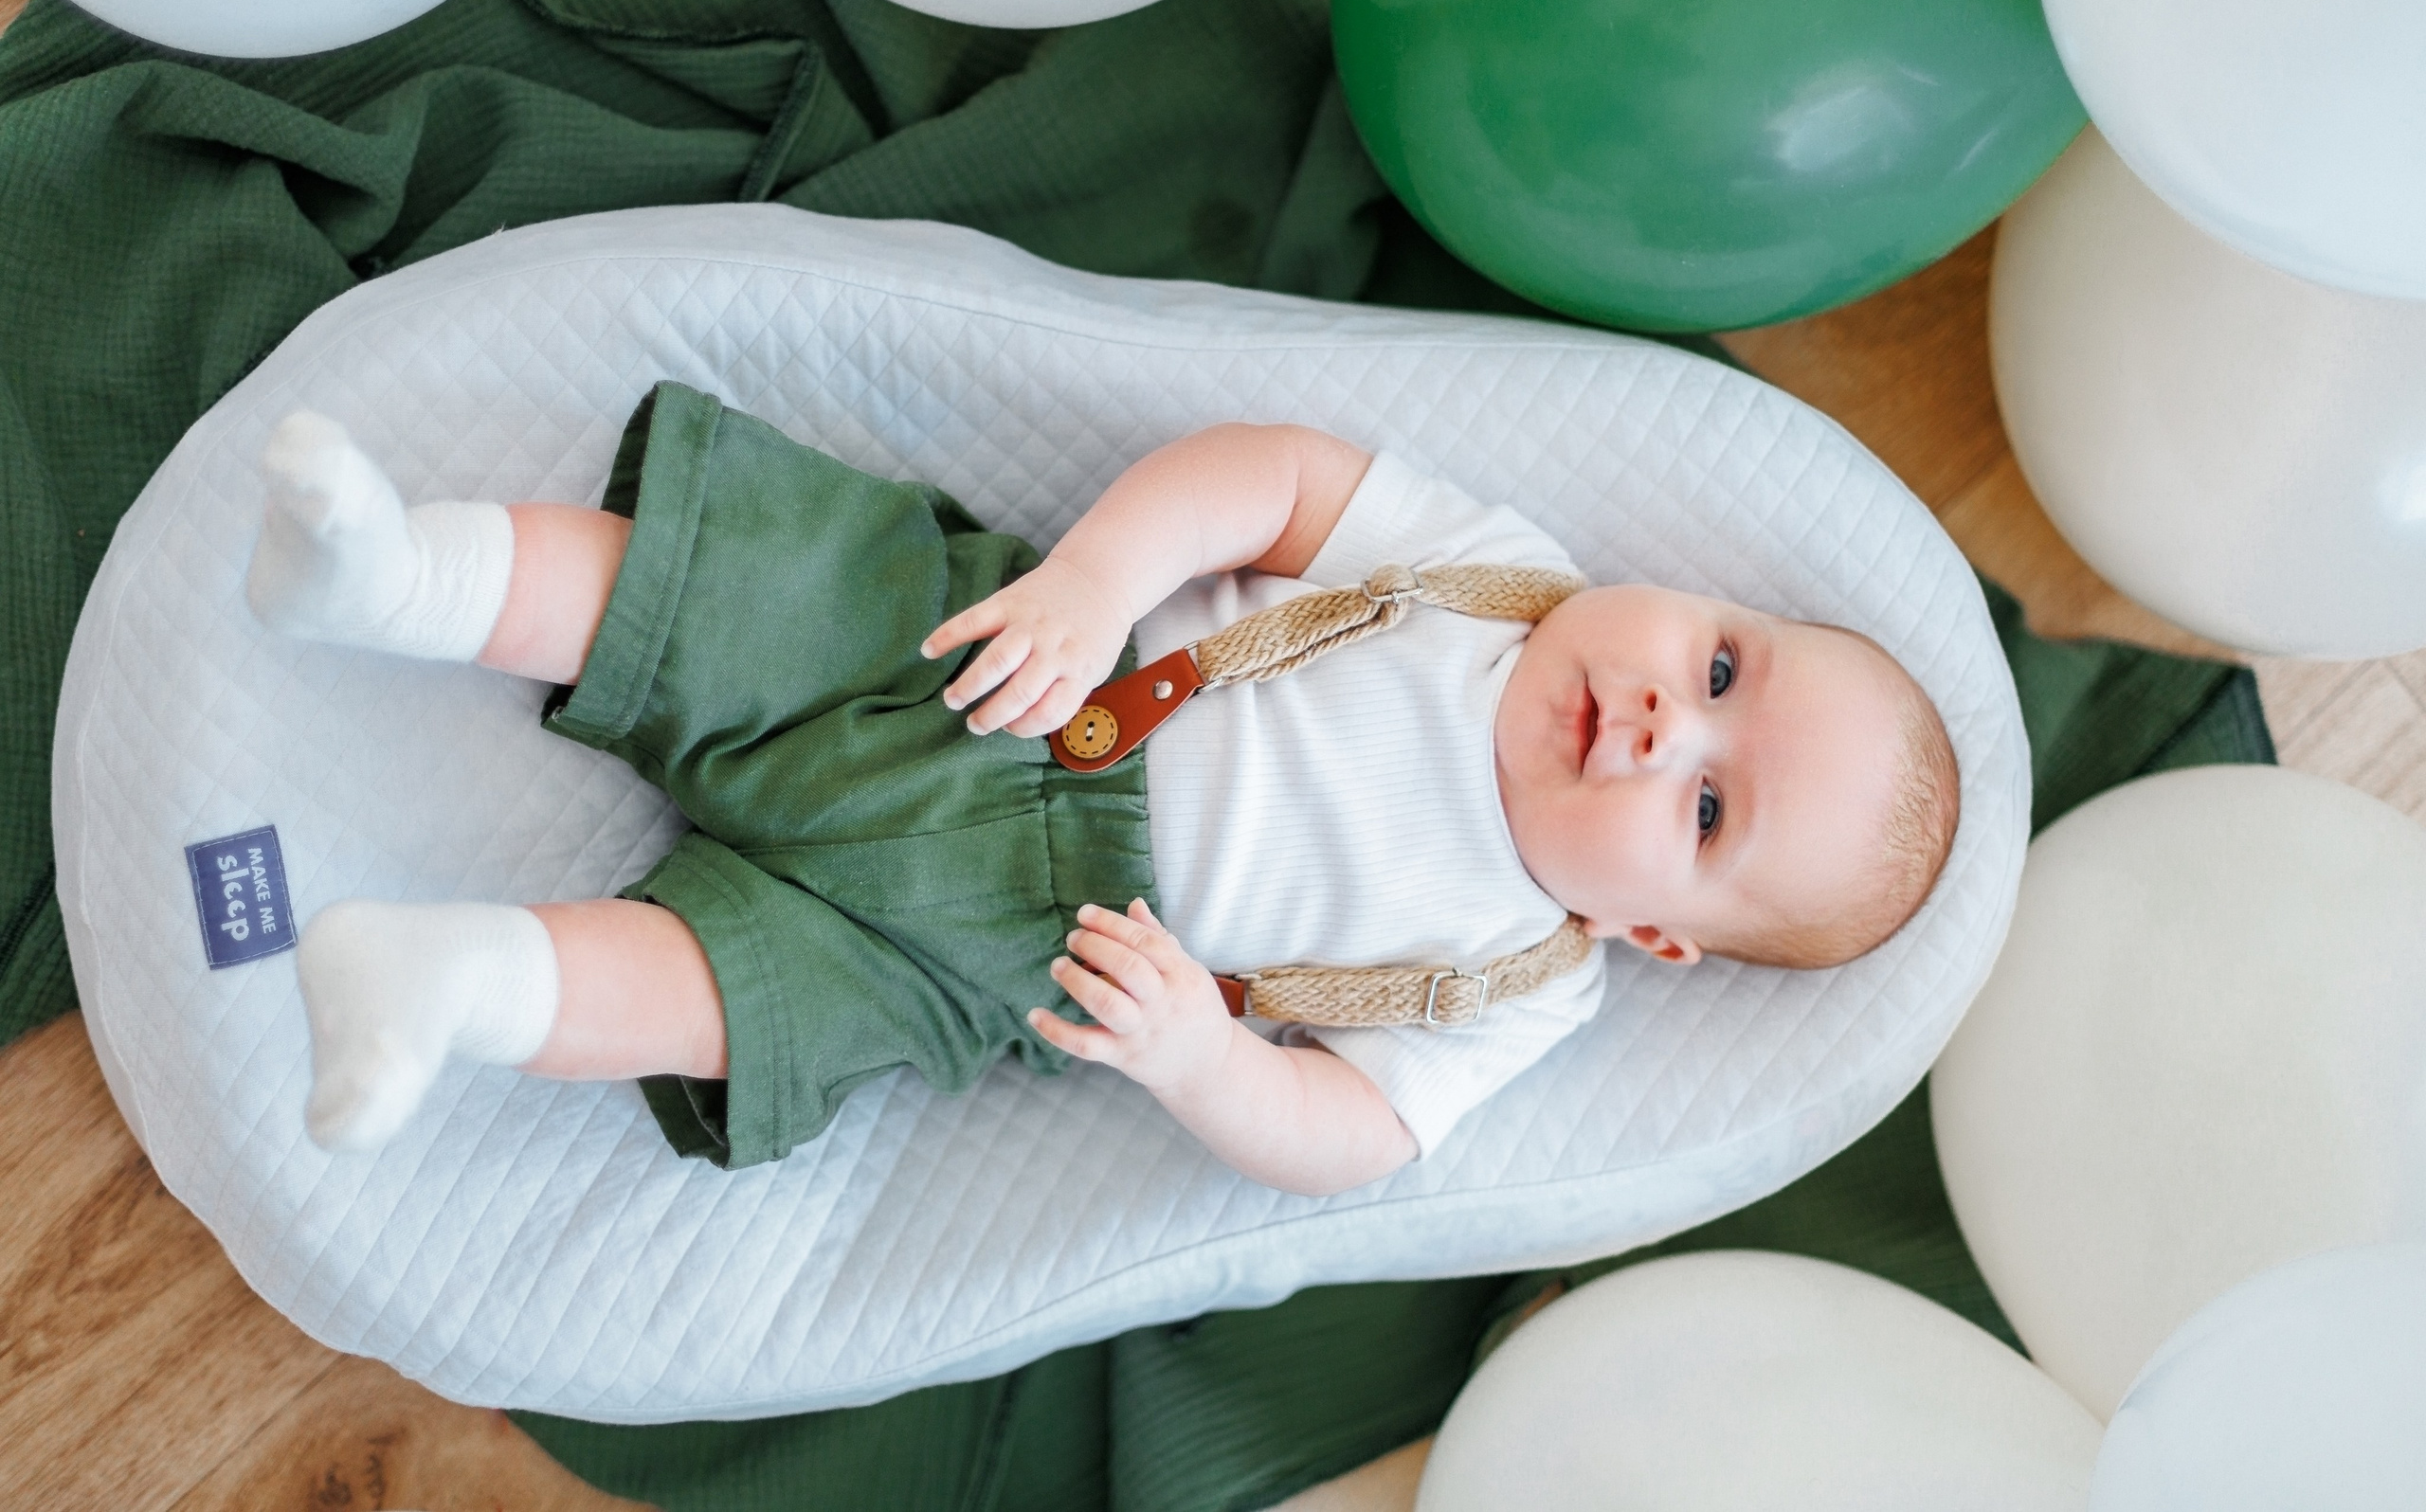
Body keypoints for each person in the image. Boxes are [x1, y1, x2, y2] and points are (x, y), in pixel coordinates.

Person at [246, 382, 1959, 1195]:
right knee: (747, 589)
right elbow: (1272, 479)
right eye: (1723, 668)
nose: (1668, 722)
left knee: (750, 999)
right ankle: (397, 577)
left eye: (1711, 809)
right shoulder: (1493, 577)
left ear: (1657, 932)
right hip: (996, 673)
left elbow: (1354, 1141)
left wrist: (1206, 1061)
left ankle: (448, 982)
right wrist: (1090, 578)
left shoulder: (1528, 980)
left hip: (1008, 944)